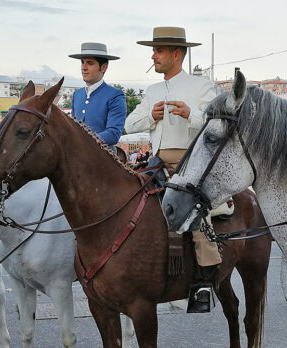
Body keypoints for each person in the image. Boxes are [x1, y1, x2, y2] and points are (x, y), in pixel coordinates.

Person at [125, 26, 220, 313]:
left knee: (198, 213)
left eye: (158, 51)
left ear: (175, 54)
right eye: (153, 51)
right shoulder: (152, 91)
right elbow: (130, 125)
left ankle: (205, 279)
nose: (153, 56)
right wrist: (150, 118)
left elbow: (219, 123)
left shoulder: (203, 86)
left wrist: (191, 114)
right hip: (154, 162)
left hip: (192, 163)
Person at [69, 42, 126, 148]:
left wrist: (83, 142)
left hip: (103, 158)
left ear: (103, 67)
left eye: (90, 63)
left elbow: (113, 133)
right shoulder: (77, 94)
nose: (84, 68)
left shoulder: (115, 95)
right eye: (83, 62)